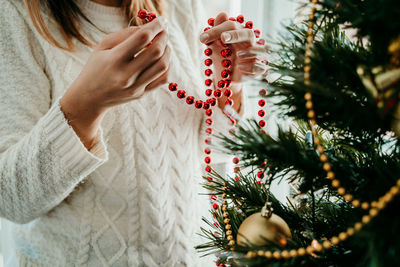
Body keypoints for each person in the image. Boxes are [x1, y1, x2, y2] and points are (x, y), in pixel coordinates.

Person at [0, 0, 267, 266]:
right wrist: (85, 105)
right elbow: (11, 201)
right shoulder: (15, 15)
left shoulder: (180, 6)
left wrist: (226, 87)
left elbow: (207, 150)